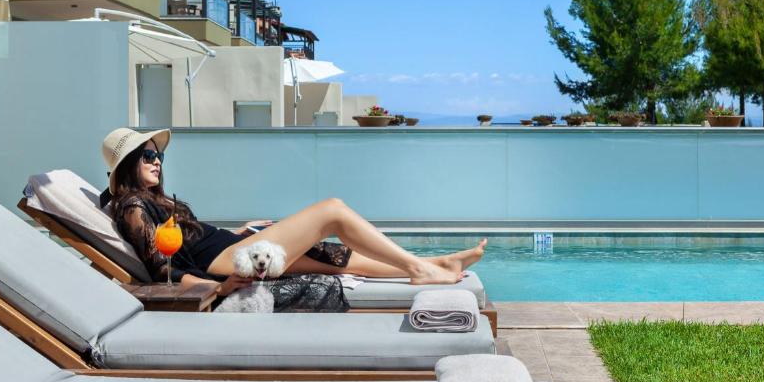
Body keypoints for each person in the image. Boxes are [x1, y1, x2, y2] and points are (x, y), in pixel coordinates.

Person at [102, 128, 486, 300]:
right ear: (129, 163)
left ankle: (436, 263)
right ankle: (419, 268)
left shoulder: (152, 200)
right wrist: (218, 288)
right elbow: (162, 269)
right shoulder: (133, 207)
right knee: (332, 211)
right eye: (148, 156)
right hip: (223, 262)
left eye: (158, 155)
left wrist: (239, 231)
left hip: (229, 245)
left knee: (337, 258)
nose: (157, 161)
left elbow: (190, 238)